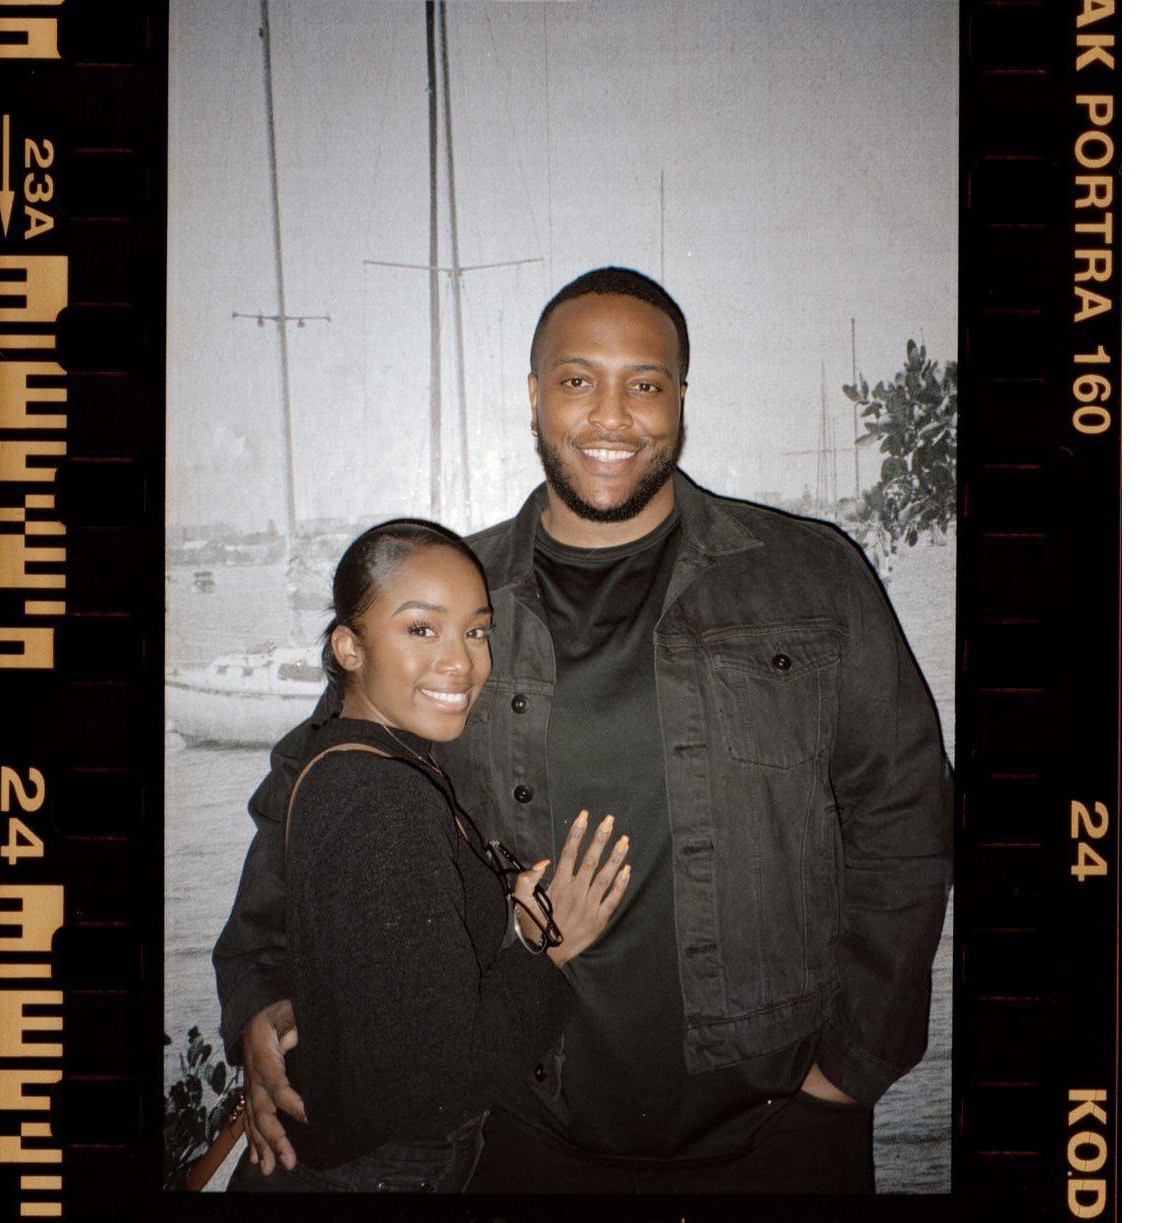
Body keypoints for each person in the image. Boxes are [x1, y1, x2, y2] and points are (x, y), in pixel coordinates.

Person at [214, 267, 954, 1194]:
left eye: (644, 383)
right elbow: (314, 789)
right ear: (534, 395)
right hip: (520, 1139)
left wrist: (847, 1072)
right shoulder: (449, 601)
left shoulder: (811, 577)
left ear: (680, 398)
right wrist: (260, 993)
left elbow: (906, 816)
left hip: (778, 1137)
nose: (612, 414)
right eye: (576, 380)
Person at [224, 520, 631, 1192]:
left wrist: (517, 924)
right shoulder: (385, 802)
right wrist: (551, 952)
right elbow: (436, 1087)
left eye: (475, 631)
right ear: (349, 647)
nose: (462, 662)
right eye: (421, 629)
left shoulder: (352, 759)